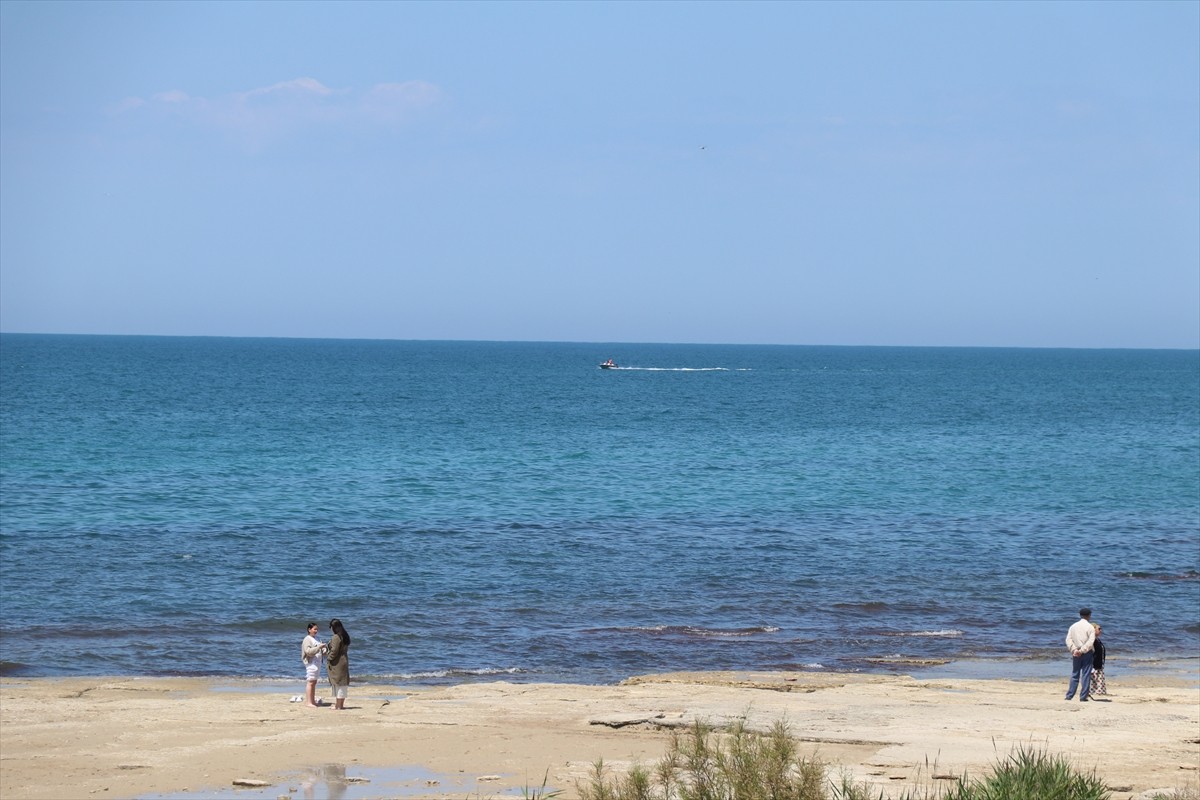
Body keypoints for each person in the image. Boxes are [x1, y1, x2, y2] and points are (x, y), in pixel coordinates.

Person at [1064, 607, 1095, 701]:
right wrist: (1082, 650)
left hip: (1076, 652)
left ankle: (1069, 695)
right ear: (1089, 615)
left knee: (1075, 673)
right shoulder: (1090, 627)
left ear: (1080, 615)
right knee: (1086, 674)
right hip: (1086, 652)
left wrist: (1073, 650)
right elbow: (1091, 641)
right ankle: (1083, 696)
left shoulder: (1073, 626)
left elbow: (1068, 640)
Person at [325, 618, 351, 710]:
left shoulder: (336, 637)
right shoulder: (345, 635)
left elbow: (334, 651)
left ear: (334, 627)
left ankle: (338, 706)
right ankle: (340, 705)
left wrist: (328, 658)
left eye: (331, 627)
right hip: (344, 660)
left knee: (338, 683)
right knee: (342, 683)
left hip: (338, 662)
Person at [301, 621, 327, 708]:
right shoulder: (307, 639)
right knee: (310, 681)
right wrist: (319, 647)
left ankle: (312, 701)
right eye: (314, 629)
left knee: (314, 682)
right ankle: (308, 702)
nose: (316, 631)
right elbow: (308, 652)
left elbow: (319, 650)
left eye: (317, 629)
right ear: (309, 630)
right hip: (311, 662)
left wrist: (324, 650)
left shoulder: (317, 638)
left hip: (317, 662)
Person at [1088, 623, 1108, 699]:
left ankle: (1093, 692)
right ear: (1093, 630)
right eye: (1099, 629)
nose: (1100, 630)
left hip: (1099, 663)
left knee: (1098, 677)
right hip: (1094, 663)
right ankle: (1087, 693)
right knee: (1093, 678)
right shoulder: (1092, 640)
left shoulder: (1097, 639)